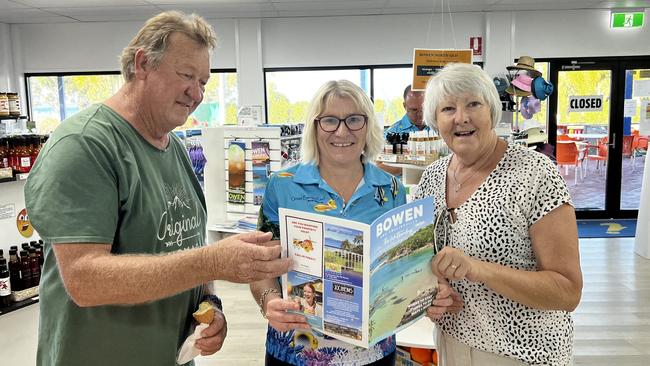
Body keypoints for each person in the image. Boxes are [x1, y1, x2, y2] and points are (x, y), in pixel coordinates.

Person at [24, 11, 290, 366]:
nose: (196, 93)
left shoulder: (173, 147)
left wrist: (212, 307)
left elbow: (186, 247)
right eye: (186, 75)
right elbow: (84, 279)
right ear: (142, 64)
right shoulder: (85, 145)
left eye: (204, 82)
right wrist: (212, 261)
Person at [415, 63, 583, 366]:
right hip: (451, 344)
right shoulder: (431, 178)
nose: (461, 117)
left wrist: (477, 269)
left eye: (473, 104)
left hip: (523, 353)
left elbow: (568, 291)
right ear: (435, 121)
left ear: (491, 110)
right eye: (448, 108)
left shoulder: (535, 174)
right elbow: (426, 261)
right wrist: (435, 289)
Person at [250, 80, 407, 365]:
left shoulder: (392, 189)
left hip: (372, 352)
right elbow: (259, 267)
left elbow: (399, 270)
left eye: (354, 120)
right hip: (297, 350)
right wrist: (269, 301)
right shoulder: (282, 185)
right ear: (314, 126)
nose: (342, 131)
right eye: (330, 120)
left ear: (368, 126)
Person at [379, 85, 430, 176]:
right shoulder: (392, 133)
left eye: (424, 109)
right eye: (414, 110)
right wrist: (412, 166)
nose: (420, 114)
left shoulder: (439, 128)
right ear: (404, 106)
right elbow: (378, 167)